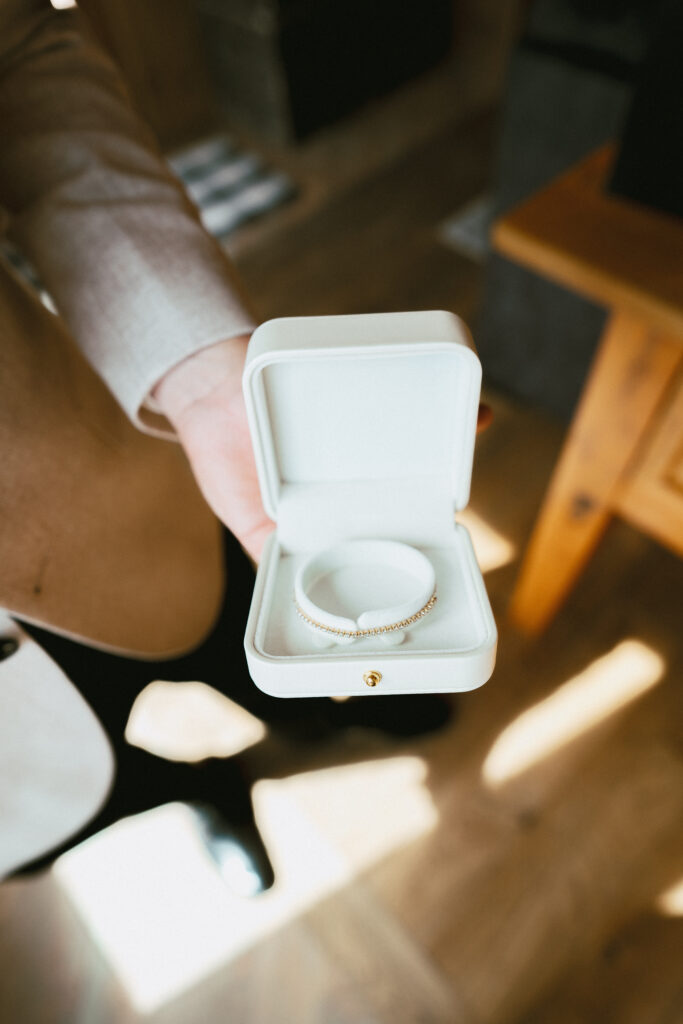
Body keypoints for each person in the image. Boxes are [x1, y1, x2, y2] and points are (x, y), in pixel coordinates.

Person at [0, 0, 456, 890]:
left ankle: (326, 708)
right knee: (61, 813)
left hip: (77, 485)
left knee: (241, 608)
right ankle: (199, 786)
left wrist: (206, 377)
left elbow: (17, 54)